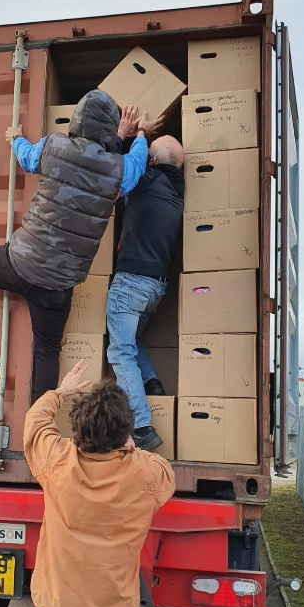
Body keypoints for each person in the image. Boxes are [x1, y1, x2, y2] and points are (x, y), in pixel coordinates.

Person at [0, 90, 162, 400]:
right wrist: (140, 133)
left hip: (18, 263)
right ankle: (40, 433)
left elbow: (26, 157)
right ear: (110, 130)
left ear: (76, 121)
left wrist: (14, 138)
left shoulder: (53, 146)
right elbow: (136, 163)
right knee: (47, 351)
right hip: (59, 285)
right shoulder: (119, 170)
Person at [22, 360, 175, 607]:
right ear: (126, 432)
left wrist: (61, 392)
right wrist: (129, 447)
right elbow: (165, 470)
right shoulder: (144, 475)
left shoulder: (57, 462)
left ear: (76, 431)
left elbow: (35, 423)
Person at [106, 118, 185, 451]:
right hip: (156, 287)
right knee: (132, 340)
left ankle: (141, 426)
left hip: (131, 282)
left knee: (119, 350)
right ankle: (151, 385)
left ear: (150, 161)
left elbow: (112, 169)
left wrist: (133, 132)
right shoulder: (176, 187)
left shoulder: (144, 179)